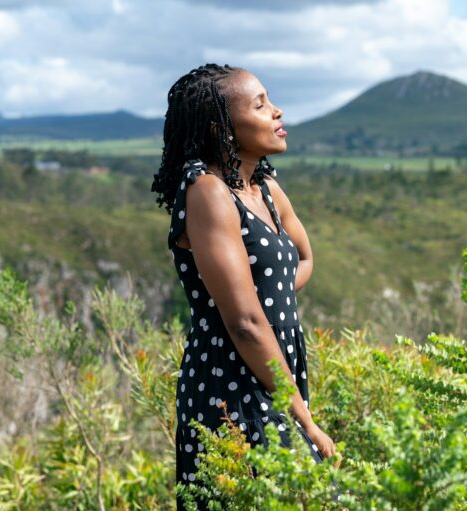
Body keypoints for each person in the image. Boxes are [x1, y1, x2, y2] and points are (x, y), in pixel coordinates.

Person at [150, 63, 336, 509]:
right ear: (222, 127)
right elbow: (246, 323)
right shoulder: (208, 192)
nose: (277, 111)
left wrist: (271, 300)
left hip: (274, 371)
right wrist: (304, 419)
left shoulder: (266, 187)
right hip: (229, 382)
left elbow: (304, 258)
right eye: (260, 104)